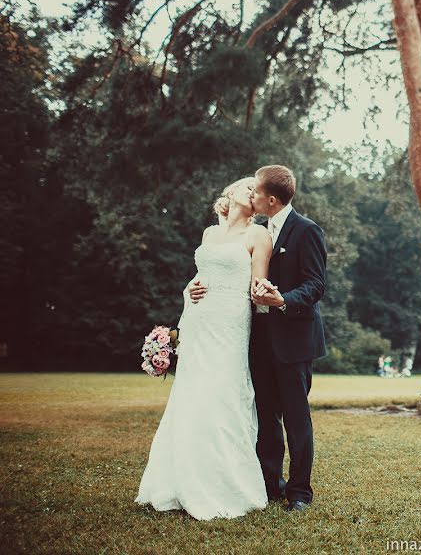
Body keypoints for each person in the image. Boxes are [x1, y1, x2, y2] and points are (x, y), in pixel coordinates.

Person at [188, 165, 328, 514]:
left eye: (255, 192)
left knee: (296, 418)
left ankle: (299, 492)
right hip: (258, 337)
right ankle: (269, 483)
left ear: (269, 199)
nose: (250, 196)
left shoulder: (306, 230)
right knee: (266, 416)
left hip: (294, 340)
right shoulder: (259, 231)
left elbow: (316, 285)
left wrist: (282, 300)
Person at [136, 177, 271, 520]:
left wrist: (271, 302)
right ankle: (179, 480)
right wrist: (189, 291)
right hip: (199, 320)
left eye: (257, 190)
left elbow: (258, 289)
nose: (253, 192)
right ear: (230, 195)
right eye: (248, 187)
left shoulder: (258, 235)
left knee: (221, 393)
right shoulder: (210, 234)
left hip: (230, 323)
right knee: (192, 394)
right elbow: (199, 276)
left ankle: (226, 484)